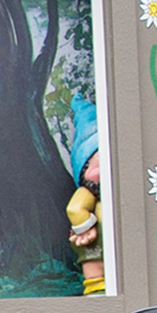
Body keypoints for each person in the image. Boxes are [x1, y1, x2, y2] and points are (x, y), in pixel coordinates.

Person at [64, 96, 105, 295]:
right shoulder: (86, 194)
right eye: (88, 165)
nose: (95, 171)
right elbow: (74, 208)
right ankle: (96, 288)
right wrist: (86, 228)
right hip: (92, 246)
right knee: (93, 264)